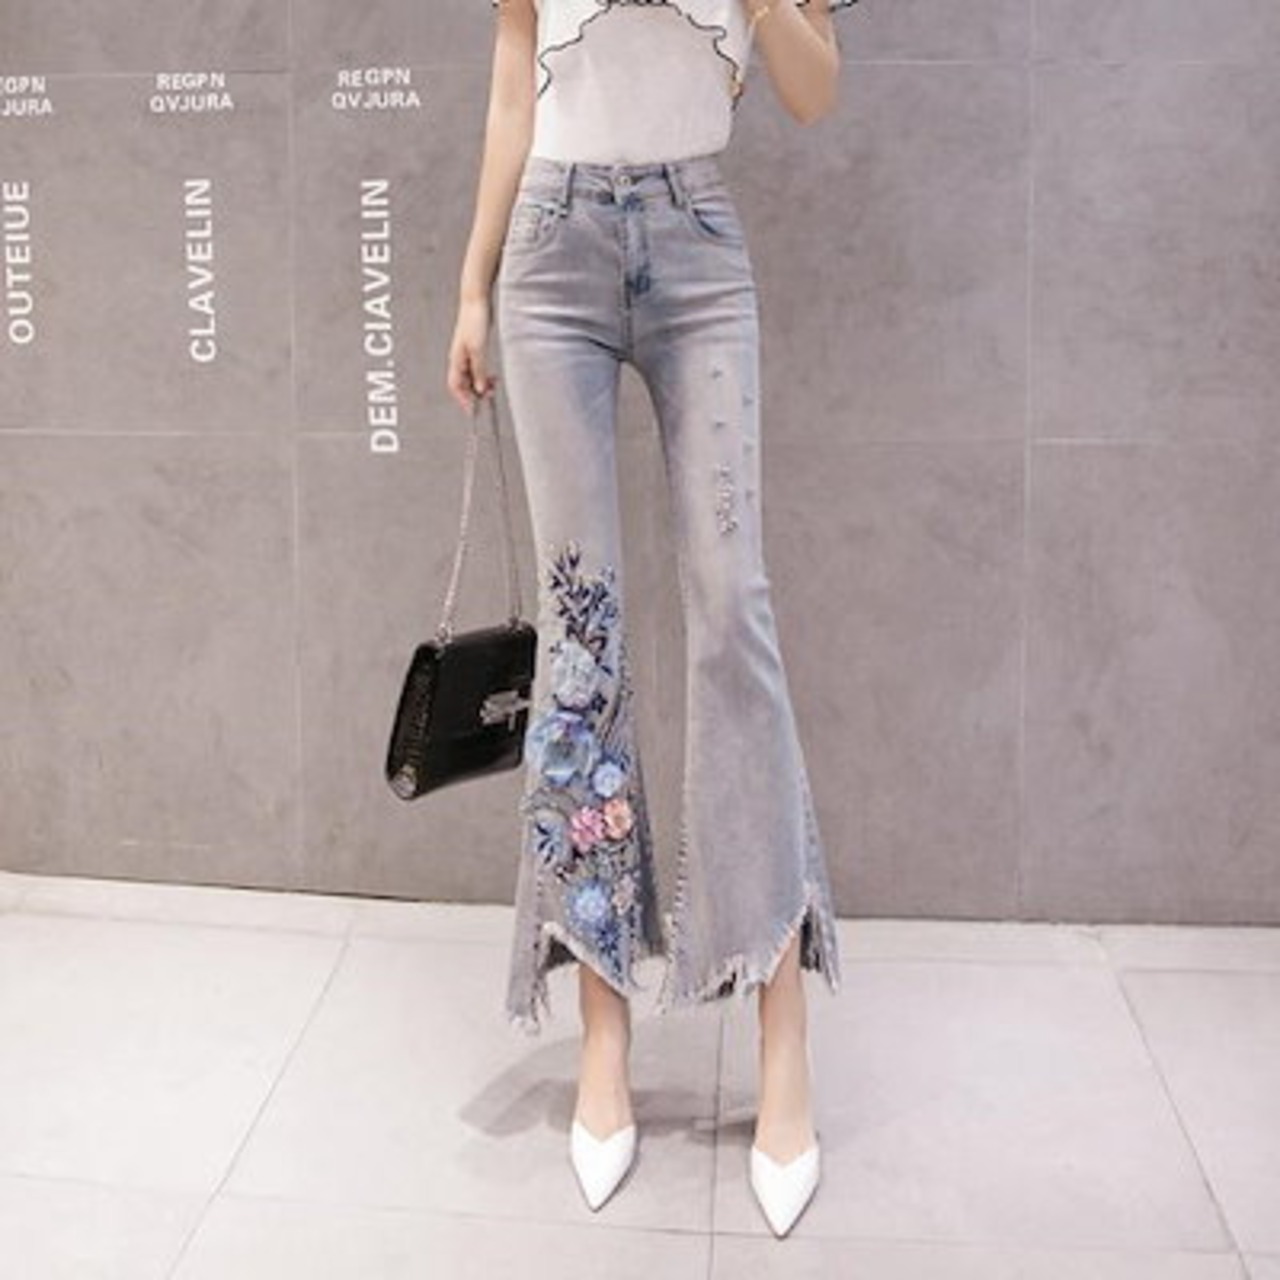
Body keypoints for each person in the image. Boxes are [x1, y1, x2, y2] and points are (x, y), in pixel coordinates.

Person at [446, 0, 859, 1238]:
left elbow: (812, 91)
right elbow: (514, 79)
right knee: (581, 638)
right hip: (550, 249)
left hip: (695, 242)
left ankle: (779, 1032)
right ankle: (602, 1030)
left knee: (733, 611)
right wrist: (471, 285)